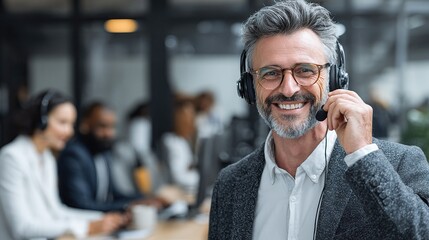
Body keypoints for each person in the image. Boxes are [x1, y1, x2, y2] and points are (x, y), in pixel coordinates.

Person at [208, 1, 429, 240]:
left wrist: (363, 156)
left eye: (305, 70)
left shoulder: (399, 164)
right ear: (250, 86)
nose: (289, 89)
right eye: (270, 73)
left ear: (335, 79)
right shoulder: (230, 184)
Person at [0, 90, 127, 240]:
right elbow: (22, 227)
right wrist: (85, 227)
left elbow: (56, 212)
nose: (69, 131)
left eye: (71, 124)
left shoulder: (46, 157)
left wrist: (101, 218)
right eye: (62, 122)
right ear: (42, 120)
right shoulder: (12, 157)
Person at [57, 101, 163, 213]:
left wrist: (145, 200)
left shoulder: (104, 154)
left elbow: (113, 194)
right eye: (102, 126)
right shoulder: (74, 155)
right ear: (85, 125)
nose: (109, 133)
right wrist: (128, 206)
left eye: (112, 127)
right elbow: (81, 205)